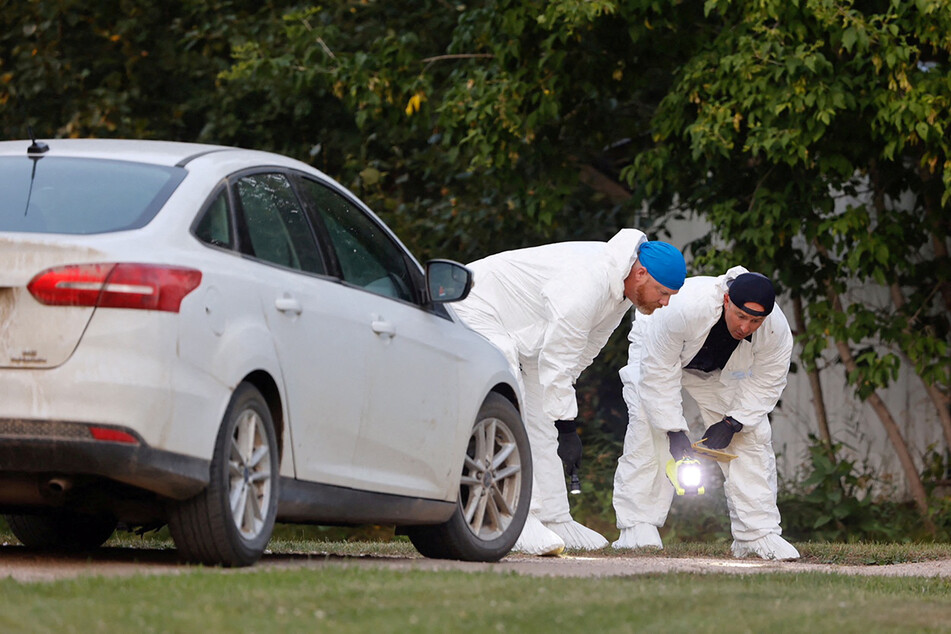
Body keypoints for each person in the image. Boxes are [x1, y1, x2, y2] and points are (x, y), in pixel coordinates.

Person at [452, 229, 686, 555]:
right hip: (473, 301)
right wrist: (567, 426)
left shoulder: (621, 292)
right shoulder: (588, 283)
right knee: (511, 390)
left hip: (525, 332)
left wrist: (561, 416)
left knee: (543, 413)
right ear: (641, 273)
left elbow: (582, 352)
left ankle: (554, 517)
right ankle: (518, 517)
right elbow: (559, 356)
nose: (665, 303)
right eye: (663, 292)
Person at [611, 266, 800, 560]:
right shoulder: (684, 309)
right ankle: (638, 527)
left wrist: (733, 422)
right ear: (727, 301)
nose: (746, 327)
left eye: (755, 321)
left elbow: (768, 380)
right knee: (648, 430)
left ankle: (756, 534)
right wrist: (674, 431)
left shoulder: (776, 329)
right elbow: (658, 374)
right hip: (657, 353)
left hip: (712, 370)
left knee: (752, 435)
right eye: (741, 316)